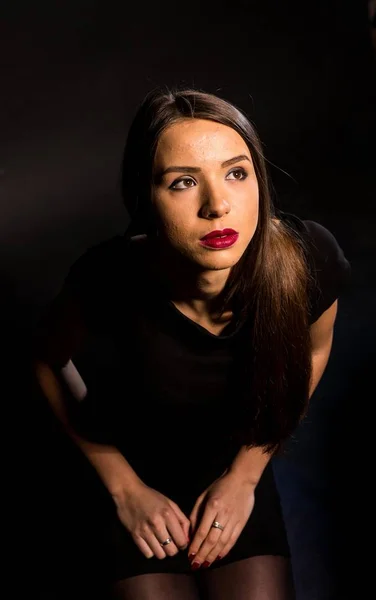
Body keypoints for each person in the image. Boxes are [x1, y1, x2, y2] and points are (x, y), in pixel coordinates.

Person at [33, 87, 351, 600]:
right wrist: (124, 488)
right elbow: (48, 361)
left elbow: (312, 352)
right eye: (183, 182)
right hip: (133, 472)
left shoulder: (308, 259)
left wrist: (245, 477)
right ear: (146, 199)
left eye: (236, 173)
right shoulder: (106, 278)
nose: (218, 205)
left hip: (230, 468)